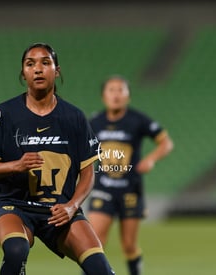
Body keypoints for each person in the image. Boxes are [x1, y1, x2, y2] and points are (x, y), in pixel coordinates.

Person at [0, 42, 115, 275]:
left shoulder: (74, 117)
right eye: (30, 64)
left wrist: (72, 206)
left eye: (45, 62)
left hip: (59, 209)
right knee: (15, 250)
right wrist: (16, 165)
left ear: (57, 70)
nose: (38, 69)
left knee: (100, 268)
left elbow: (88, 173)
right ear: (23, 73)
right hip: (14, 206)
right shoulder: (4, 114)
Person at [86, 75, 174, 275]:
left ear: (128, 96)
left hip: (130, 190)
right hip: (103, 189)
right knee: (94, 242)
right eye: (111, 90)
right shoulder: (94, 122)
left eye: (120, 90)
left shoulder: (138, 120)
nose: (116, 95)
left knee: (129, 246)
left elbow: (166, 143)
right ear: (103, 96)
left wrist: (151, 159)